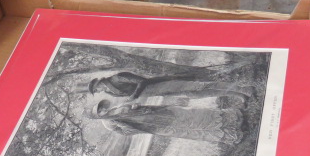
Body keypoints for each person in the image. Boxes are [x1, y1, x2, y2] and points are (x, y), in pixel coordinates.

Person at [92, 99, 244, 145]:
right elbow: (126, 132)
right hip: (155, 124)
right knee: (188, 128)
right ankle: (231, 133)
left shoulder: (116, 107)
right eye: (100, 111)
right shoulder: (109, 123)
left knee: (190, 115)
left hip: (157, 112)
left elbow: (134, 105)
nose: (103, 110)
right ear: (98, 116)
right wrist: (137, 123)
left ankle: (232, 120)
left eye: (101, 108)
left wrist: (136, 106)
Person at [89, 71, 253, 103]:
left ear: (98, 83)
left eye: (96, 89)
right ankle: (238, 95)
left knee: (203, 85)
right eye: (97, 91)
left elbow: (143, 81)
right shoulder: (112, 91)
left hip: (164, 84)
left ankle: (243, 88)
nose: (99, 91)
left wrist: (135, 95)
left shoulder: (118, 77)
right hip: (166, 92)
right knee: (200, 94)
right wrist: (132, 100)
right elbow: (133, 95)